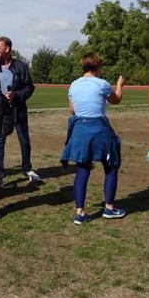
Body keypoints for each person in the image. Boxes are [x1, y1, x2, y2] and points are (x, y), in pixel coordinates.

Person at [61, 53, 126, 225]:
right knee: (110, 166)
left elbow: (72, 110)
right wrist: (119, 85)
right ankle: (109, 208)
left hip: (80, 129)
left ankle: (80, 212)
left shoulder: (74, 85)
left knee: (82, 169)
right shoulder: (102, 84)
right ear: (97, 67)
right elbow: (116, 100)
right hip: (99, 129)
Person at [0, 36, 40, 185]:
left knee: (24, 141)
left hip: (18, 110)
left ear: (7, 49)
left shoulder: (20, 67)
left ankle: (27, 168)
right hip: (0, 112)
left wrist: (16, 95)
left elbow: (29, 87)